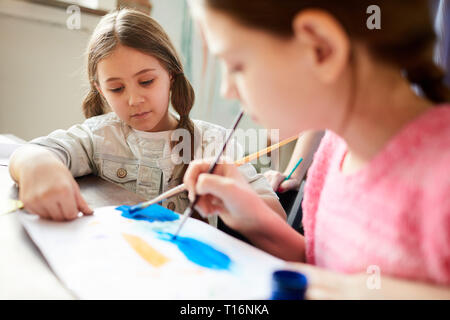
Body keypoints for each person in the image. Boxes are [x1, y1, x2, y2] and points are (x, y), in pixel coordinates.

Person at [184, 0, 450, 298]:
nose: (227, 90)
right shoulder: (333, 152)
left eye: (236, 66)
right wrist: (254, 219)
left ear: (321, 48)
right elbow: (323, 270)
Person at [8, 8, 284, 227]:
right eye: (116, 88)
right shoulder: (98, 137)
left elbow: (276, 219)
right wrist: (38, 166)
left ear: (170, 75)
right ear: (100, 90)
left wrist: (237, 197)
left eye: (147, 82)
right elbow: (32, 152)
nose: (133, 99)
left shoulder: (212, 143)